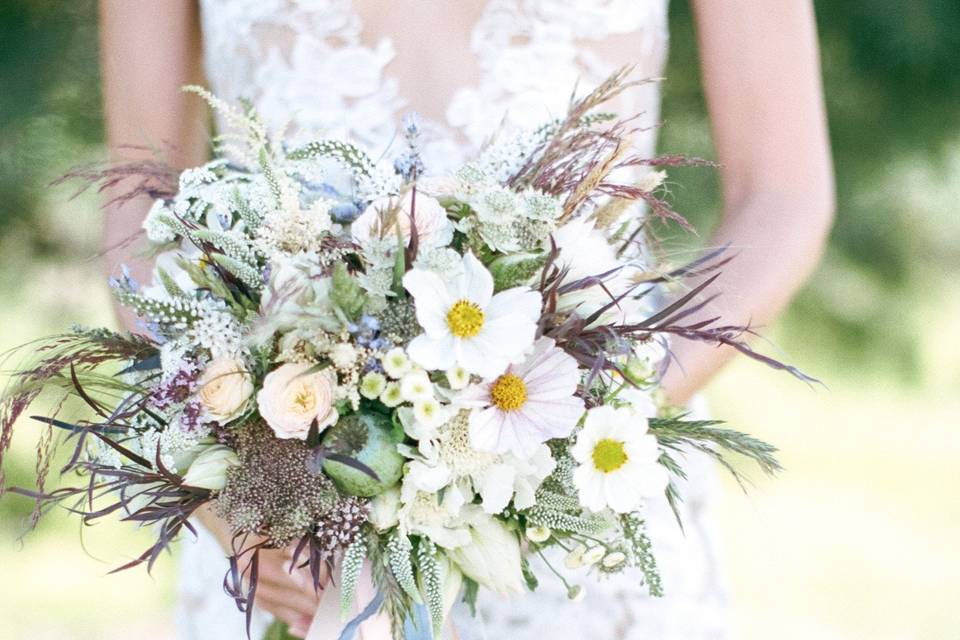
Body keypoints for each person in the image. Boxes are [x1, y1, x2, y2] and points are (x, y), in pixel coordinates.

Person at [98, 1, 834, 638]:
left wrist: (584, 423)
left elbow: (783, 197)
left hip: (581, 507)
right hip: (276, 520)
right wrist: (225, 488)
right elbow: (138, 208)